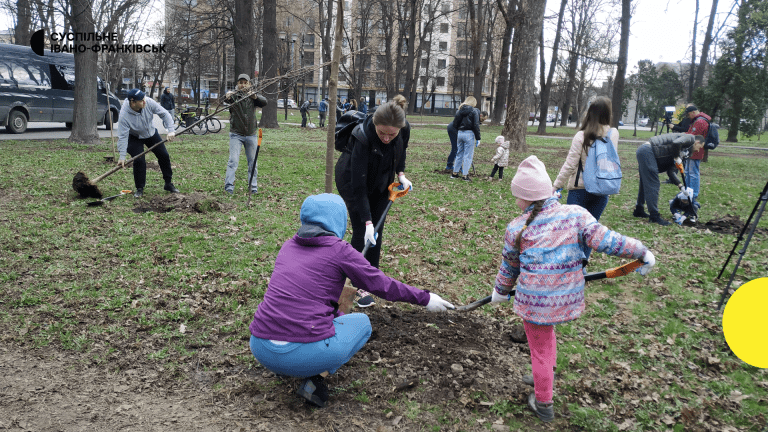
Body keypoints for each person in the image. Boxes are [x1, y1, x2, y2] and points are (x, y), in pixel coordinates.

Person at [248, 193, 454, 408]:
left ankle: (286, 367)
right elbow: (382, 285)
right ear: (339, 220)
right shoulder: (340, 250)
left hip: (261, 347)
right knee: (362, 324)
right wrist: (425, 298)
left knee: (330, 318)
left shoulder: (288, 246)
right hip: (302, 355)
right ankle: (314, 380)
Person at [490, 155, 655, 422]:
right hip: (564, 299)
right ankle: (541, 373)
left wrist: (500, 290)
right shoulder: (575, 215)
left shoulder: (516, 227)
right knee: (547, 337)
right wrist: (640, 250)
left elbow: (510, 267)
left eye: (517, 195)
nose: (515, 201)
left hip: (535, 303)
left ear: (527, 197)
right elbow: (608, 240)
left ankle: (543, 402)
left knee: (540, 349)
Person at [335, 96, 412, 307]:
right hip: (353, 181)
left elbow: (400, 151)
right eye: (382, 133)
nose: (387, 138)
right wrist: (367, 220)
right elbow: (359, 188)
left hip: (381, 180)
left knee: (377, 232)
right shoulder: (362, 137)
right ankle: (357, 286)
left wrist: (401, 175)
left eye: (392, 134)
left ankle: (371, 276)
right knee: (363, 230)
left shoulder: (403, 129)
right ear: (375, 125)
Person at [552, 96, 619, 263]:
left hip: (578, 190)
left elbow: (570, 164)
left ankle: (569, 264)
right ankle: (582, 264)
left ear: (590, 113)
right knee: (590, 231)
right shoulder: (613, 134)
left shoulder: (581, 136)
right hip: (601, 190)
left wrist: (556, 185)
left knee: (572, 231)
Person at [117, 88, 178, 198]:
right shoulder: (124, 115)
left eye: (144, 98)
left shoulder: (148, 102)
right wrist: (122, 156)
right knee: (139, 160)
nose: (144, 101)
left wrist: (171, 130)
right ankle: (140, 188)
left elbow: (164, 114)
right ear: (133, 102)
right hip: (134, 137)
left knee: (164, 155)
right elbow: (122, 136)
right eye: (141, 100)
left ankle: (168, 184)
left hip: (150, 133)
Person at [634, 133, 705, 225]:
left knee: (645, 183)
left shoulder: (685, 152)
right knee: (653, 184)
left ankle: (639, 210)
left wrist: (681, 186)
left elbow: (671, 172)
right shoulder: (690, 138)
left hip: (647, 153)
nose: (699, 150)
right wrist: (676, 157)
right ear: (697, 142)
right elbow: (676, 142)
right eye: (700, 147)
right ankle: (654, 216)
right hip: (648, 151)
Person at [222, 74, 268, 195]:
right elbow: (224, 99)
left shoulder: (253, 96)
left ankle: (253, 187)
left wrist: (255, 96)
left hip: (251, 134)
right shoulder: (234, 96)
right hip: (236, 134)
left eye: (245, 82)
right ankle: (229, 187)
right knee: (233, 161)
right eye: (240, 82)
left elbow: (264, 102)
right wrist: (227, 95)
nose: (243, 84)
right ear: (237, 84)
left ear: (249, 84)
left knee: (253, 162)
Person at [450, 96, 482, 182]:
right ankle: (465, 175)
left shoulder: (459, 110)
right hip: (469, 134)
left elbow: (455, 124)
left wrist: (459, 130)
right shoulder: (474, 111)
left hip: (460, 133)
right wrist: (478, 138)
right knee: (468, 155)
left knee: (459, 153)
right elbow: (476, 125)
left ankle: (455, 173)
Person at [685, 105, 711, 200]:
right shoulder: (698, 120)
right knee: (688, 172)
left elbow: (693, 136)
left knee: (693, 173)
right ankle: (688, 191)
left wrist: (683, 136)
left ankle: (694, 193)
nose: (688, 117)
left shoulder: (700, 122)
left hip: (696, 150)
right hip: (692, 149)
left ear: (693, 112)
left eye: (688, 115)